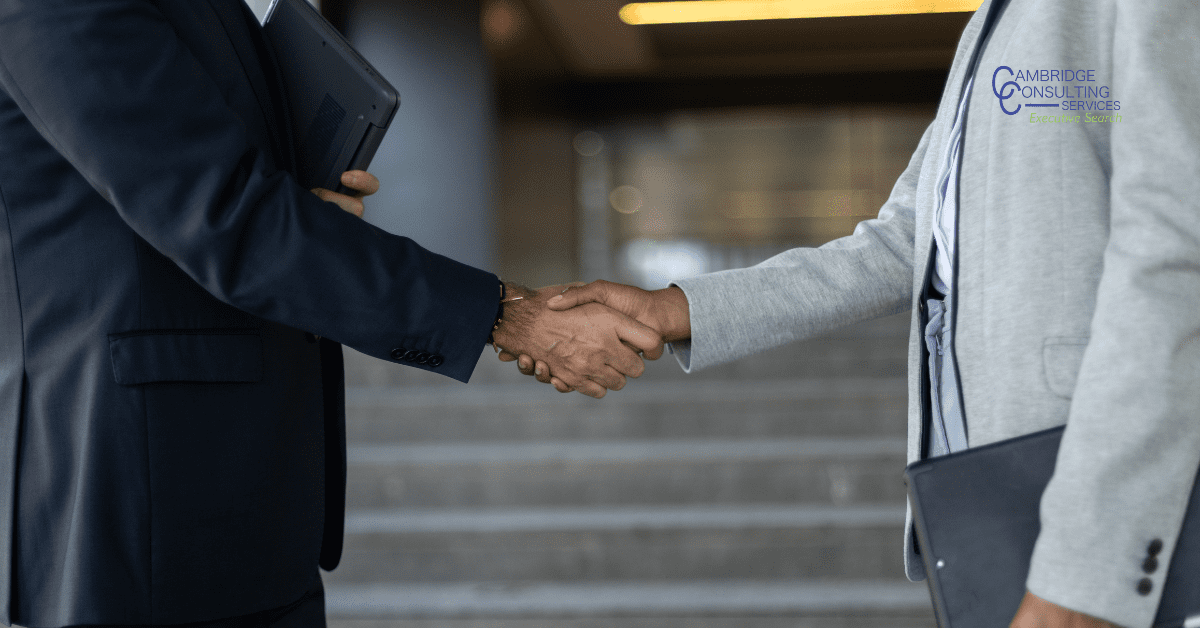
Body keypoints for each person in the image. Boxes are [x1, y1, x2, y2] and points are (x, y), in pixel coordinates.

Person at [512, 0, 1200, 626]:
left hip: (1107, 527)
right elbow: (903, 240)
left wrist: (1083, 579)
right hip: (999, 515)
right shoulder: (995, 24)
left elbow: (1173, 265)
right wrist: (675, 308)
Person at [0, 0, 661, 626]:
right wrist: (505, 314)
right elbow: (229, 219)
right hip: (137, 490)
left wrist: (302, 197)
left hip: (236, 487)